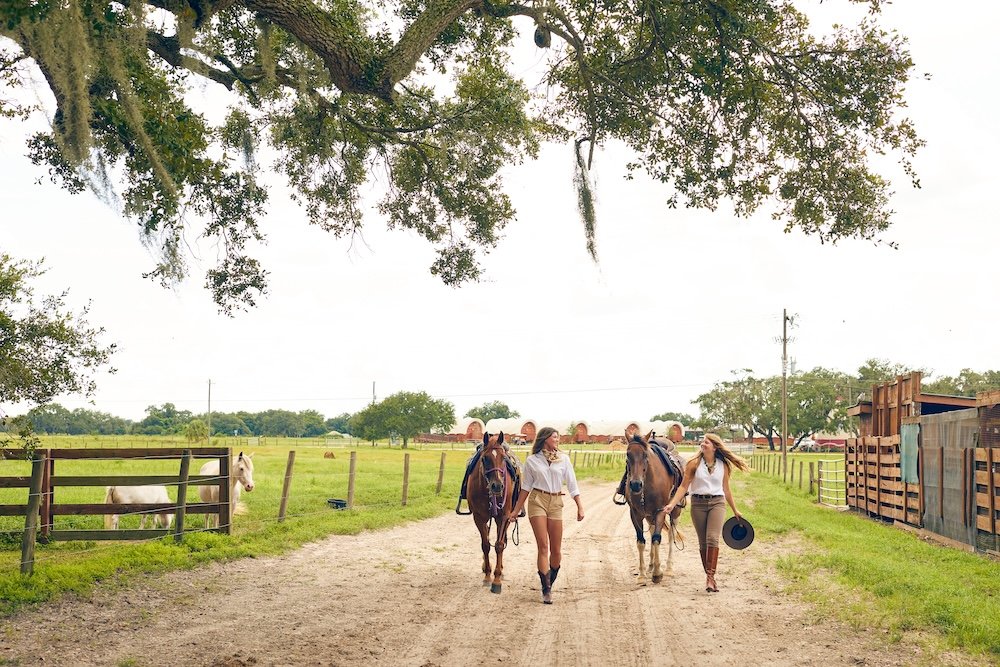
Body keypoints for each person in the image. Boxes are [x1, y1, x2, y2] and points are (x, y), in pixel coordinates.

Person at [662, 433, 749, 593]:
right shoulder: (694, 464)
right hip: (698, 504)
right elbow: (683, 486)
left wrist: (735, 509)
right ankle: (710, 577)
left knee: (712, 538)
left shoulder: (723, 465)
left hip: (717, 503)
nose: (702, 444)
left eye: (706, 442)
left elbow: (726, 489)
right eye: (702, 441)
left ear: (714, 447)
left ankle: (710, 577)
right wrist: (671, 504)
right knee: (703, 542)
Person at [507, 427, 584, 604]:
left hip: (556, 502)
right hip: (537, 501)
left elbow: (572, 485)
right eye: (554, 437)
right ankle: (546, 589)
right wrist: (516, 510)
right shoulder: (532, 461)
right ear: (545, 439)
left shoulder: (564, 459)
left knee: (556, 551)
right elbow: (526, 487)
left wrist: (580, 506)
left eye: (558, 437)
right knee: (543, 546)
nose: (557, 439)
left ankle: (549, 579)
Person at [614, 423, 684, 501]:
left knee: (672, 463)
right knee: (630, 463)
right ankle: (622, 487)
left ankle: (678, 485)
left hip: (662, 445)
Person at [456, 433, 522, 514]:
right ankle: (464, 492)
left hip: (500, 443)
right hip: (486, 443)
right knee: (470, 465)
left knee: (514, 468)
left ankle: (517, 496)